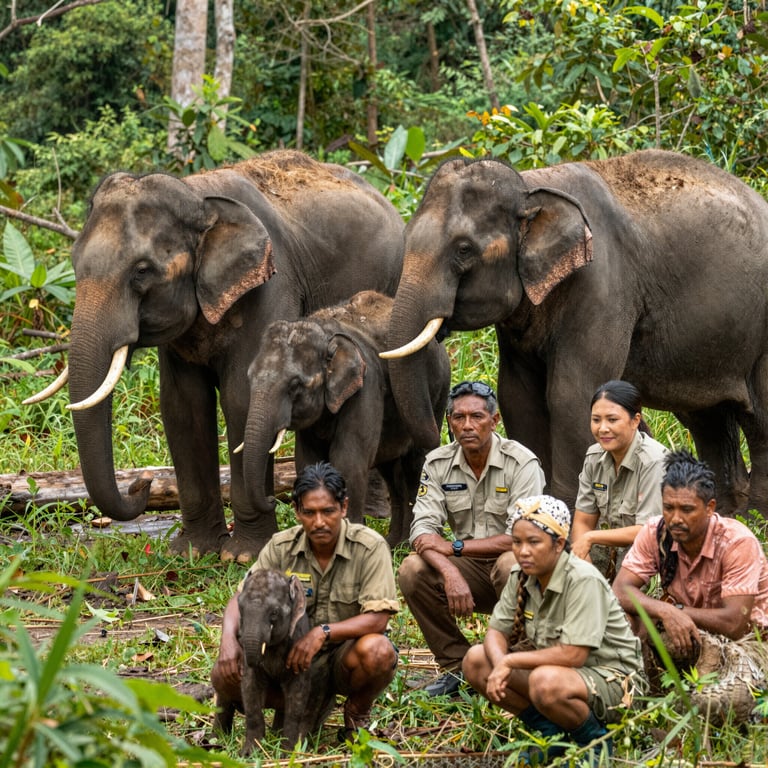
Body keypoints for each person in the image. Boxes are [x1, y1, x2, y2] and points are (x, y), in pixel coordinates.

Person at [211, 461, 400, 740]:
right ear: (297, 511)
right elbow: (242, 597)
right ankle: (292, 705)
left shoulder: (369, 547)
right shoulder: (281, 546)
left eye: (328, 511)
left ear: (344, 508)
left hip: (338, 659)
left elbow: (378, 618)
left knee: (379, 651)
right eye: (309, 512)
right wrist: (228, 639)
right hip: (286, 661)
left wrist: (322, 633)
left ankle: (356, 710)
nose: (319, 522)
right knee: (223, 673)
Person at [462, 496, 645, 767]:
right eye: (517, 542)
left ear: (559, 544)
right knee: (476, 660)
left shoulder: (582, 578)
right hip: (568, 677)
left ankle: (595, 742)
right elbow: (495, 632)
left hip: (616, 682)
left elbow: (573, 655)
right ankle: (554, 734)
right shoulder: (521, 575)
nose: (523, 551)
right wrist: (500, 663)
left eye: (533, 542)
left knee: (544, 682)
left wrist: (509, 662)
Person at [397, 380, 546, 697]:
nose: (467, 425)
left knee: (511, 563)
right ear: (449, 422)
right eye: (458, 417)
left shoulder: (521, 462)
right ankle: (458, 669)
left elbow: (523, 538)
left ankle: (515, 665)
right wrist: (450, 571)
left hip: (521, 573)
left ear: (494, 421)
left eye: (477, 417)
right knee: (412, 570)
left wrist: (454, 547)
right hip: (471, 574)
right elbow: (422, 531)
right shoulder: (438, 463)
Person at [613, 450, 768, 720]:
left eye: (687, 509)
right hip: (690, 633)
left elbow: (734, 623)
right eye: (668, 507)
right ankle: (636, 691)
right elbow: (621, 590)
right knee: (622, 617)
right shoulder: (656, 531)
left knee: (712, 704)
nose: (675, 518)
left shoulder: (736, 541)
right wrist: (667, 611)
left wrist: (679, 611)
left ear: (709, 508)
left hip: (747, 642)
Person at [571, 380, 668, 580]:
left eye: (612, 420)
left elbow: (647, 531)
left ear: (635, 420)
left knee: (623, 600)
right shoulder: (593, 457)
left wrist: (590, 538)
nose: (603, 428)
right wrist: (585, 569)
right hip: (603, 554)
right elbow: (582, 521)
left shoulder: (653, 461)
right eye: (596, 420)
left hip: (646, 556)